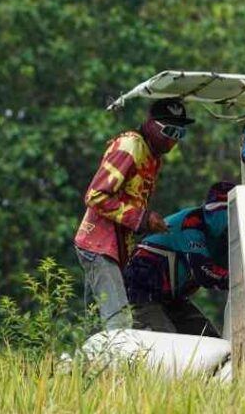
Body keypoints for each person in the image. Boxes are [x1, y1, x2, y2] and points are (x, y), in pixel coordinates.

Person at [73, 97, 194, 330]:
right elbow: (95, 196)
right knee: (119, 324)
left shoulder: (152, 156)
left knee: (95, 326)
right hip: (99, 245)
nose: (173, 140)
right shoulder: (130, 147)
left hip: (112, 249)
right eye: (169, 131)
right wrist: (143, 218)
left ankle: (82, 356)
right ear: (150, 125)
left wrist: (145, 222)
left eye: (180, 134)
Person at [124, 182, 234, 337]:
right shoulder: (193, 221)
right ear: (217, 211)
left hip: (172, 297)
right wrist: (239, 279)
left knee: (208, 339)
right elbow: (204, 272)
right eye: (231, 215)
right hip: (143, 290)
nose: (233, 223)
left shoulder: (221, 237)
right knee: (165, 341)